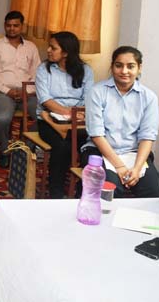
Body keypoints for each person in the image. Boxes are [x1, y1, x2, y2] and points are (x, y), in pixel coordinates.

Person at [83, 46, 159, 197]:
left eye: (130, 66)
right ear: (112, 67)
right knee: (110, 190)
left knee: (153, 191)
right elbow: (96, 134)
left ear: (139, 68)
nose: (124, 71)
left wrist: (137, 169)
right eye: (119, 65)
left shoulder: (148, 97)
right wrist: (119, 166)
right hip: (101, 152)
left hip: (134, 154)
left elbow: (147, 136)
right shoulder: (97, 92)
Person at [35, 32, 94, 198]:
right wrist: (69, 113)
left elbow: (89, 99)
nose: (48, 50)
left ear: (66, 52)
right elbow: (45, 100)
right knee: (62, 146)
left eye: (53, 48)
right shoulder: (44, 69)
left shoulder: (86, 70)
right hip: (50, 119)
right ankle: (56, 192)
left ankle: (82, 192)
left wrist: (77, 114)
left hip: (78, 120)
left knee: (89, 147)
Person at [0, 10, 40, 167]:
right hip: (2, 93)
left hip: (27, 93)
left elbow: (37, 74)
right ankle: (5, 150)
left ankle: (24, 149)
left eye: (16, 25)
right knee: (2, 119)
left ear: (22, 26)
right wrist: (7, 91)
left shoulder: (31, 47)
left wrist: (26, 92)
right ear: (4, 26)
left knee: (44, 116)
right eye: (8, 25)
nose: (12, 29)